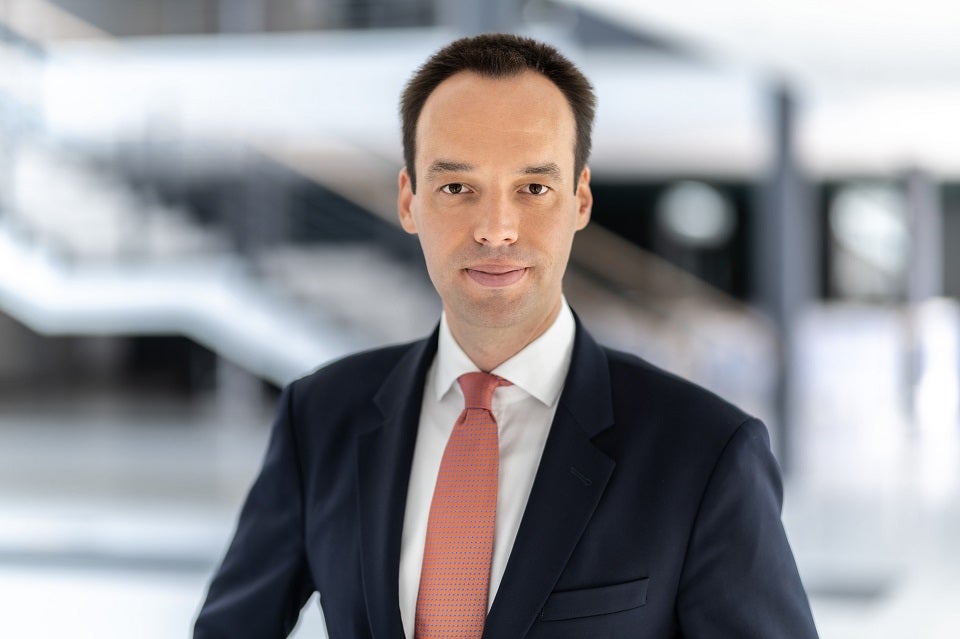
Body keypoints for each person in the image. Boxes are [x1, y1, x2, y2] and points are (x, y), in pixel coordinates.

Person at [194, 33, 819, 638]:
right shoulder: (320, 417)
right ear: (409, 201)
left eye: (534, 188)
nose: (496, 229)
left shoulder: (704, 451)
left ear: (580, 200)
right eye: (457, 187)